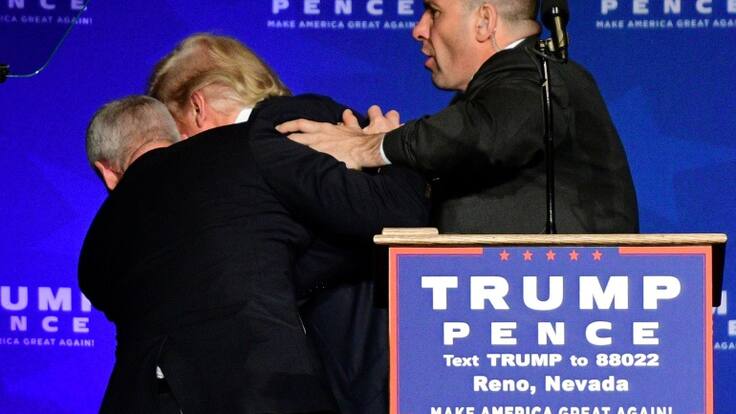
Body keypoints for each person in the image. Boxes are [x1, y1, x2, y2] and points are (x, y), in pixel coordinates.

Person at [79, 94, 428, 413]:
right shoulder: (247, 146)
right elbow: (398, 217)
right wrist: (386, 149)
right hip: (265, 392)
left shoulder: (94, 249)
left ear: (106, 172)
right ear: (175, 133)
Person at [147, 34, 402, 413]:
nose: (178, 154)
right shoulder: (296, 125)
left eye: (176, 135)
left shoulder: (301, 124)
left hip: (360, 357)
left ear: (198, 108)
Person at [277, 0, 639, 234]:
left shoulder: (538, 79)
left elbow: (488, 134)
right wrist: (394, 166)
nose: (418, 29)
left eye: (434, 12)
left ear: (484, 21)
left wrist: (373, 147)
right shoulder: (490, 97)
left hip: (556, 316)